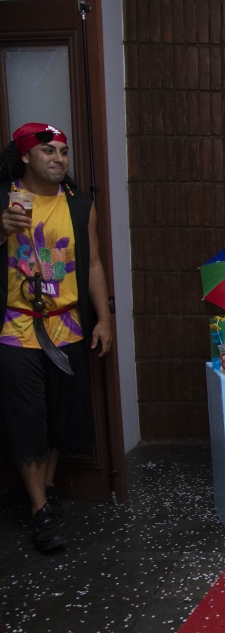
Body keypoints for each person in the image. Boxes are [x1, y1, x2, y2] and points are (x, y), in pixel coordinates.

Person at [0, 123, 113, 552]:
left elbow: (93, 264)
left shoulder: (79, 204)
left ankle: (44, 491)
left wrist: (104, 318)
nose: (59, 159)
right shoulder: (5, 199)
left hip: (66, 326)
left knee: (58, 416)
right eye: (48, 151)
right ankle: (40, 509)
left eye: (63, 152)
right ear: (26, 156)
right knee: (26, 417)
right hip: (15, 328)